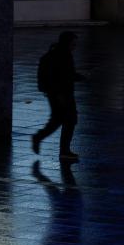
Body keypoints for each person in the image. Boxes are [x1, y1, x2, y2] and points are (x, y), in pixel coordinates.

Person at [33, 31, 86, 161]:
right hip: (63, 94)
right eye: (73, 43)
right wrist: (81, 77)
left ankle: (41, 138)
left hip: (55, 93)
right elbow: (65, 76)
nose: (75, 46)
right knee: (69, 120)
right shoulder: (64, 56)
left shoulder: (55, 54)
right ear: (67, 43)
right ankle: (64, 151)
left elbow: (64, 75)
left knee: (58, 120)